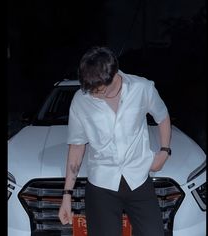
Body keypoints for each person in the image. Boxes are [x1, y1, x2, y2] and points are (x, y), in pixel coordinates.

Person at [58, 46, 171, 236]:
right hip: (101, 185)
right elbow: (76, 146)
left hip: (139, 179)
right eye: (90, 90)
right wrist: (67, 195)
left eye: (98, 90)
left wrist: (164, 151)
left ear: (114, 75)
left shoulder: (142, 88)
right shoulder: (80, 100)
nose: (92, 94)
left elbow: (162, 116)